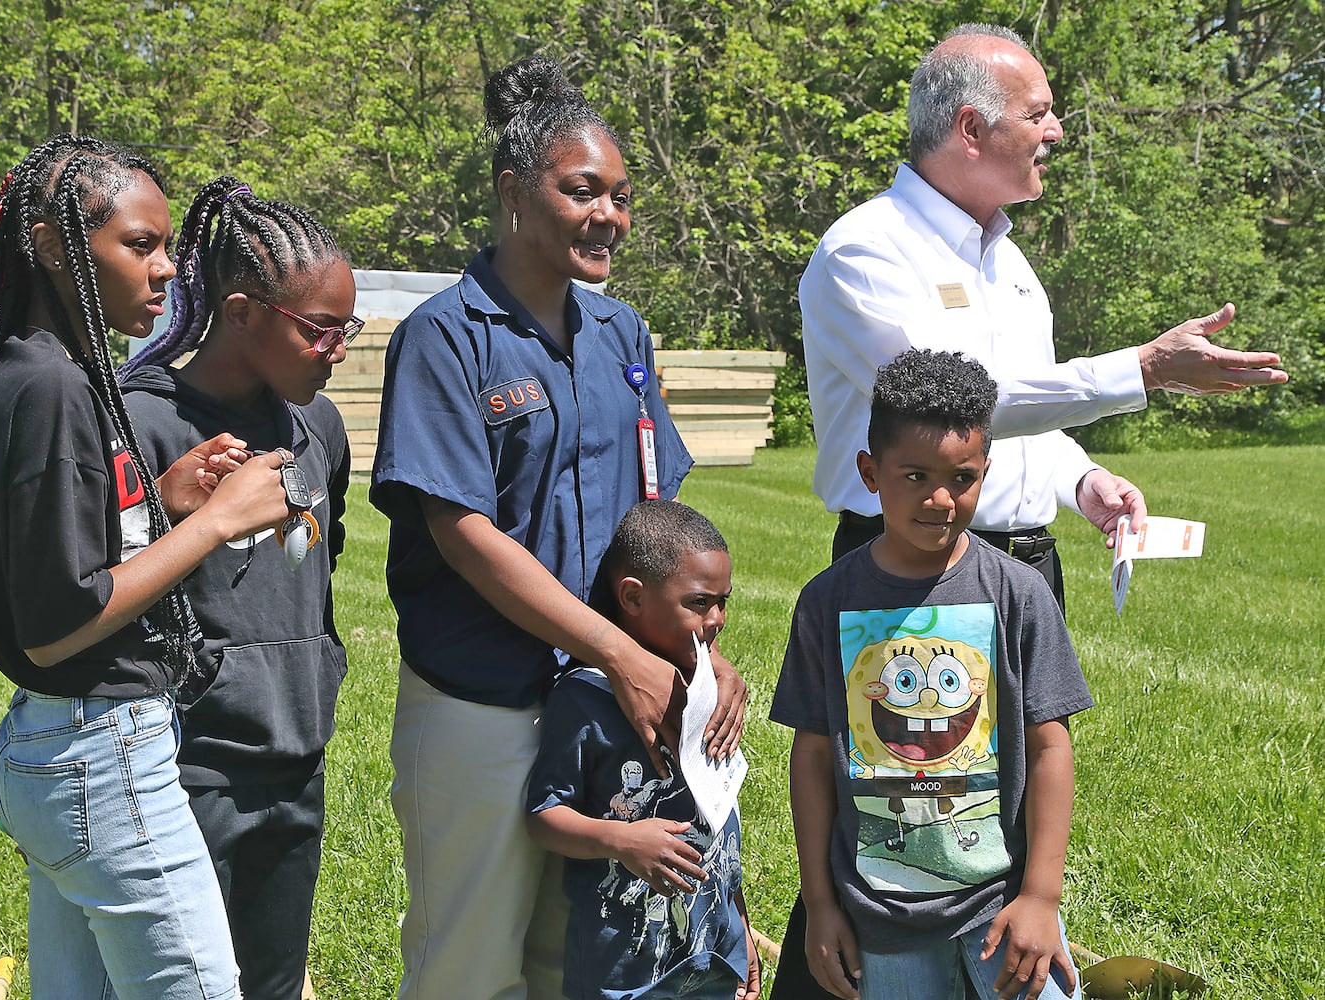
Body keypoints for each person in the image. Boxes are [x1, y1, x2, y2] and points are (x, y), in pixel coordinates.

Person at [776, 24, 1288, 993]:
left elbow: (1017, 417)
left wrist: (1081, 479)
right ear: (971, 126)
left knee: (993, 816)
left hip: (1014, 570)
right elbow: (958, 408)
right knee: (890, 808)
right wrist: (1141, 371)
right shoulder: (862, 250)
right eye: (1040, 111)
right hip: (895, 574)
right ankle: (838, 964)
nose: (1055, 129)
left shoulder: (1009, 261)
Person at [370, 54, 748, 1000]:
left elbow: (650, 517)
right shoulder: (445, 337)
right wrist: (619, 657)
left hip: (605, 707)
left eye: (620, 196)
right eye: (582, 191)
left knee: (583, 959)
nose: (609, 215)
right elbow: (462, 531)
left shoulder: (619, 333)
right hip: (483, 701)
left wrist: (694, 652)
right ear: (512, 191)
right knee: (470, 967)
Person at [0, 135, 292, 999]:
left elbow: (53, 553)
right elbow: (59, 627)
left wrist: (159, 503)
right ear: (57, 246)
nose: (168, 268)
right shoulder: (55, 387)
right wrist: (215, 523)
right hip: (100, 754)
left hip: (58, 745)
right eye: (140, 245)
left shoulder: (33, 370)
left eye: (167, 244)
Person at [772, 349, 1091, 1000]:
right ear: (869, 471)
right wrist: (821, 904)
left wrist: (1040, 896)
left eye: (962, 477)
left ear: (985, 473)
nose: (940, 498)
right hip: (879, 918)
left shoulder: (1019, 594)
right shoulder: (827, 601)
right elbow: (809, 757)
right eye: (914, 475)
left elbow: (1050, 745)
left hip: (998, 904)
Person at [119, 176, 356, 1000]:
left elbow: (315, 575)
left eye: (345, 329)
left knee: (272, 983)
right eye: (320, 329)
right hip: (187, 771)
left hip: (297, 756)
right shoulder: (139, 423)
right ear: (244, 310)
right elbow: (101, 591)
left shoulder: (316, 428)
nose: (338, 348)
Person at [527, 499, 761, 1000]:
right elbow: (542, 815)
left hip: (712, 957)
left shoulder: (705, 692)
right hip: (623, 971)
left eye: (724, 601)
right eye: (700, 603)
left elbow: (721, 818)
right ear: (632, 597)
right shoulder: (584, 699)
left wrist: (739, 925)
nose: (717, 619)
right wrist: (621, 840)